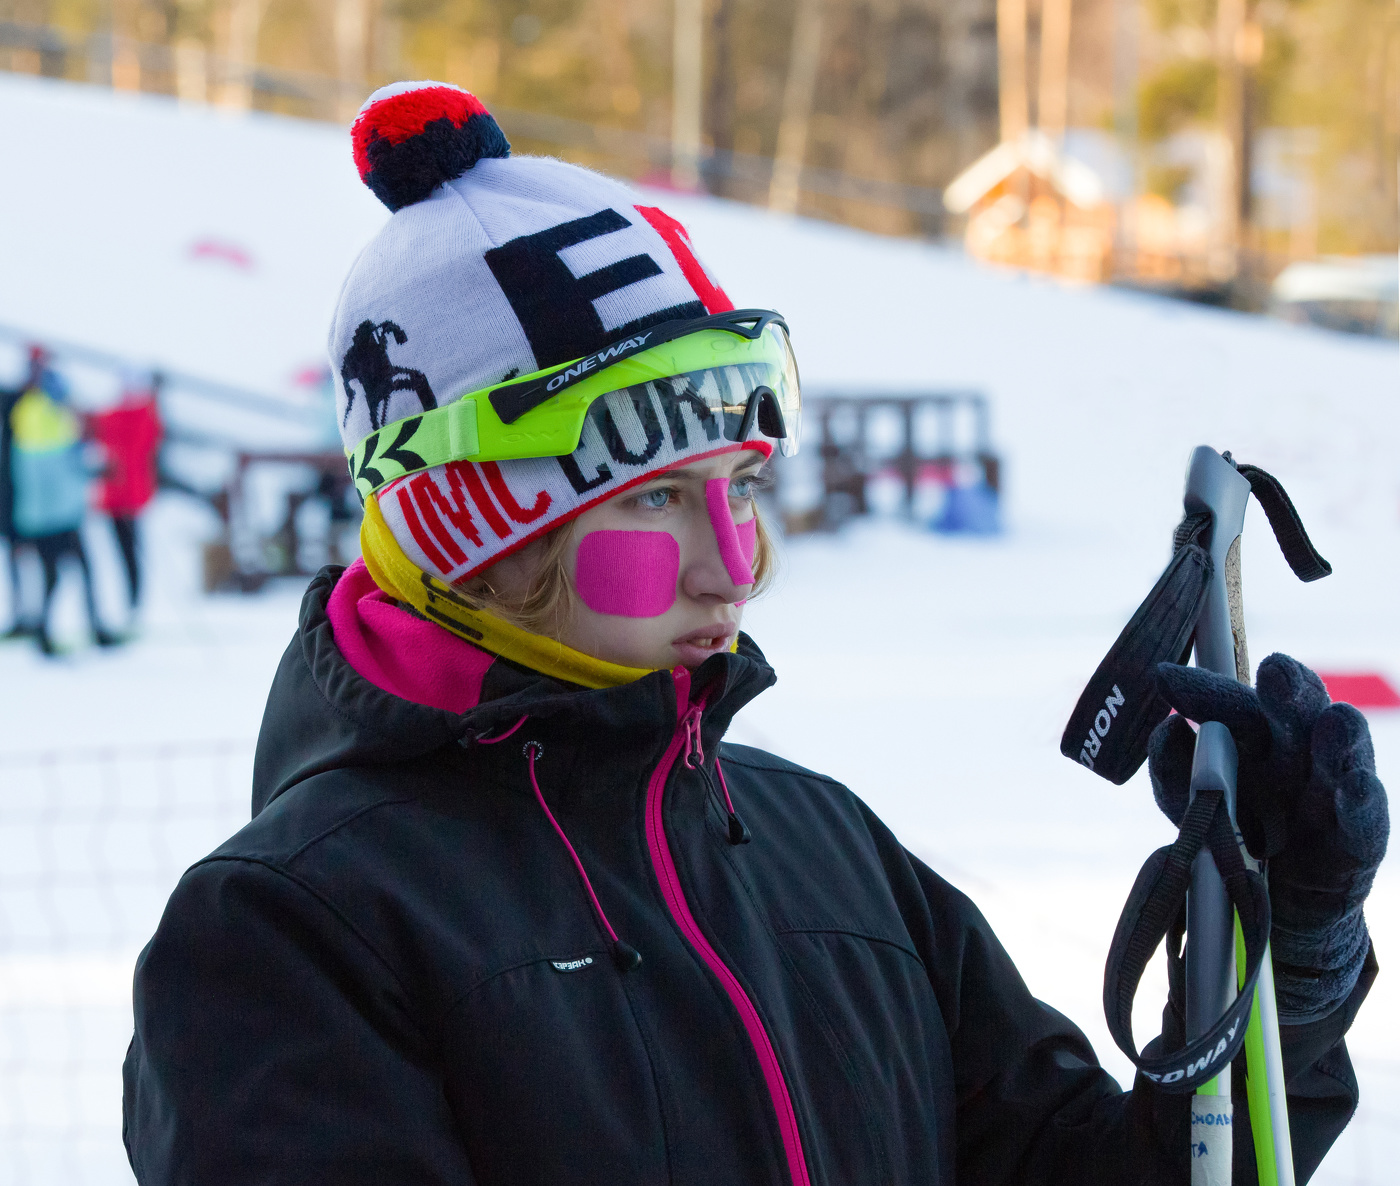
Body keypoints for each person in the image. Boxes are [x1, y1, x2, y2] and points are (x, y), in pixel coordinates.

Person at [123, 83, 1386, 1184]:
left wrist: (1294, 947)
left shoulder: (823, 844)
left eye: (738, 486)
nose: (737, 562)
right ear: (477, 525)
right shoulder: (290, 935)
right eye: (657, 497)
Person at [9, 361, 116, 653]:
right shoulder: (51, 421)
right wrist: (95, 468)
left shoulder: (26, 418)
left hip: (37, 517)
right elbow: (67, 466)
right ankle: (93, 629)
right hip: (61, 517)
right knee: (79, 572)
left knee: (52, 576)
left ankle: (46, 633)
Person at [90, 369, 163, 613]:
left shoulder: (134, 416)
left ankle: (134, 603)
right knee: (125, 553)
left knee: (129, 553)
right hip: (119, 496)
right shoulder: (132, 415)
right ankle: (131, 603)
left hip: (127, 496)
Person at [1, 344, 45, 636]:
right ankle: (22, 614)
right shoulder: (12, 399)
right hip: (10, 491)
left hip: (36, 495)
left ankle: (38, 616)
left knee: (39, 556)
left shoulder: (47, 402)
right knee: (16, 554)